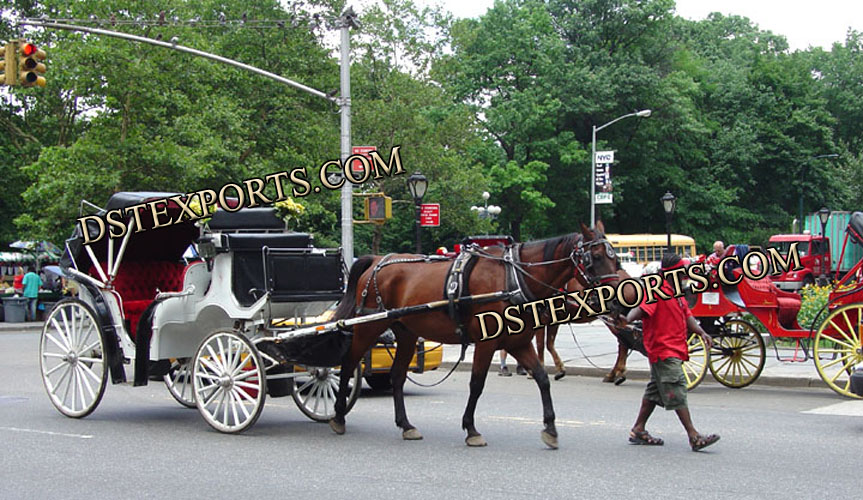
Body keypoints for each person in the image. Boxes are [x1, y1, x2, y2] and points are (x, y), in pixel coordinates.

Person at [620, 253, 720, 452]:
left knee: (655, 390)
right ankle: (693, 435)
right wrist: (627, 320)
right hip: (663, 349)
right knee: (676, 388)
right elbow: (641, 309)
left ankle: (638, 429)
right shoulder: (657, 290)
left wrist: (701, 332)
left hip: (674, 348)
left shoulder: (677, 291)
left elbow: (687, 315)